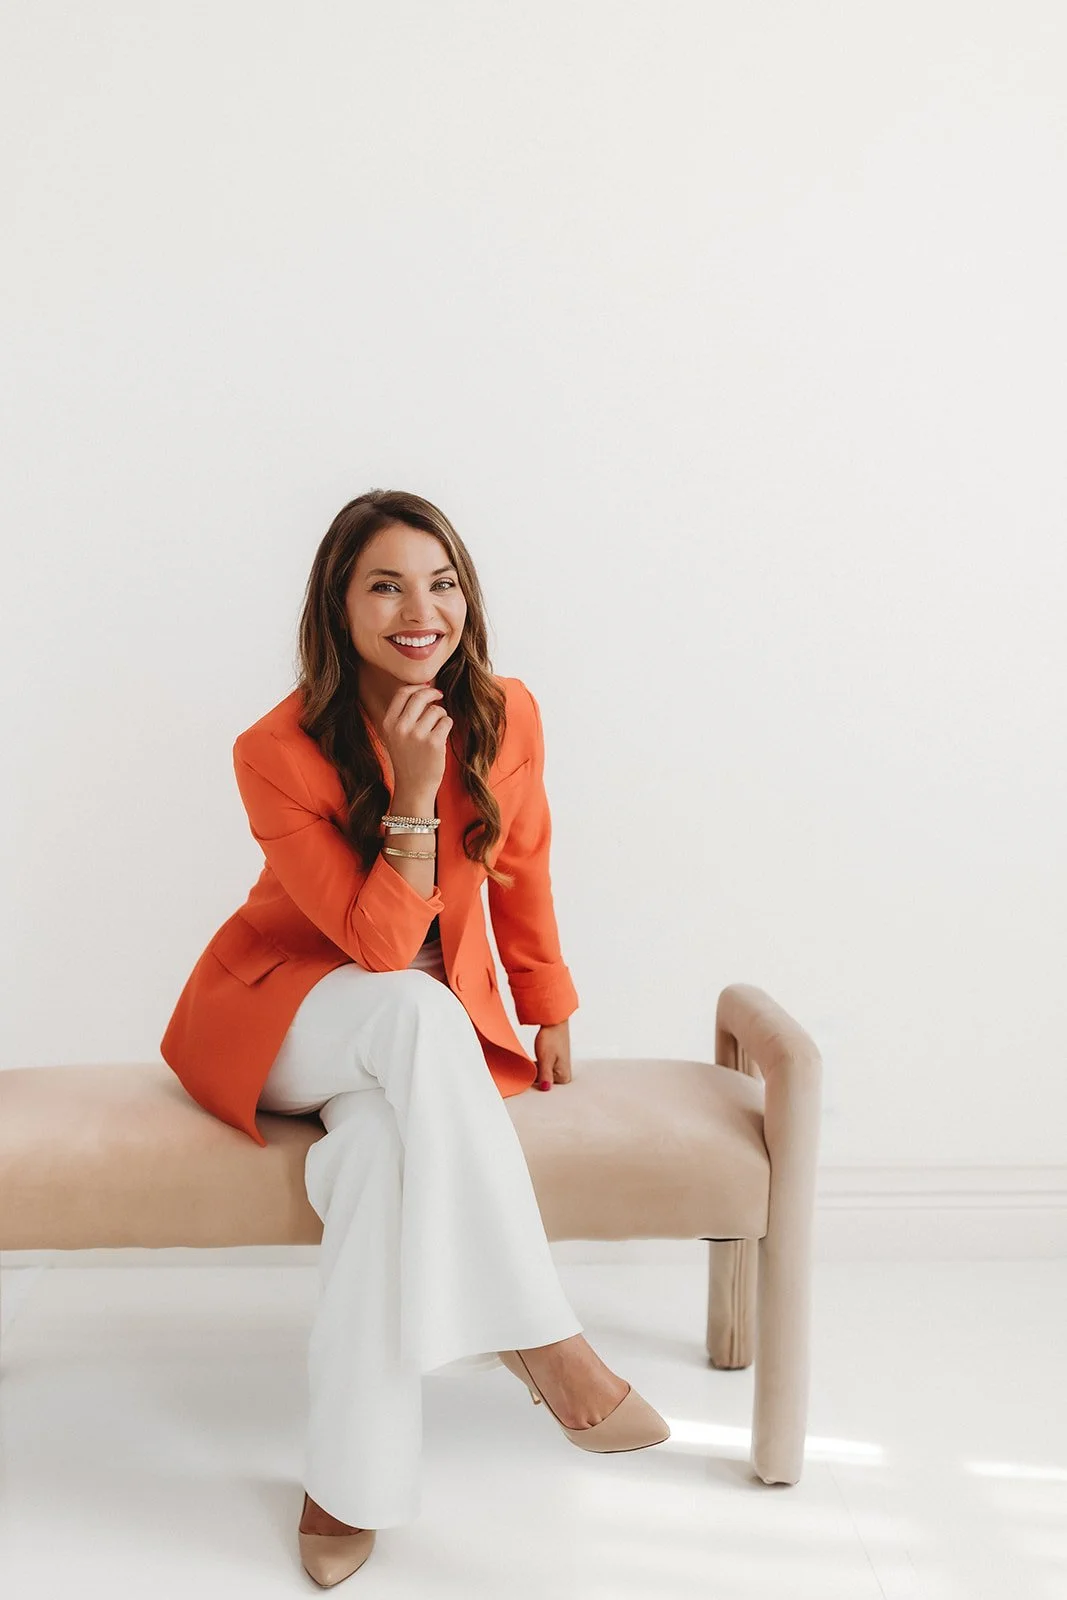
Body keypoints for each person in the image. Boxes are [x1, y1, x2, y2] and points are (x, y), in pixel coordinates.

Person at [160, 489, 669, 1588]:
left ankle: (345, 1482)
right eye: (384, 584)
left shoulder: (509, 711)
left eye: (439, 583)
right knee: (411, 1004)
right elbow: (381, 956)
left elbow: (525, 864)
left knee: (383, 1160)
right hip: (290, 1011)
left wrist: (550, 1000)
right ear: (337, 607)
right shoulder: (276, 749)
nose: (417, 609)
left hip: (421, 1042)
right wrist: (417, 794)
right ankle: (546, 1341)